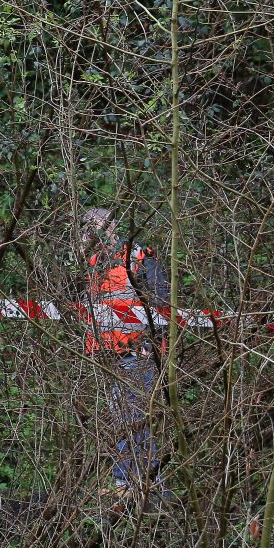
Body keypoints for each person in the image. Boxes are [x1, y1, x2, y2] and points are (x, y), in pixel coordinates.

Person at [77, 207, 169, 495]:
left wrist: (149, 344)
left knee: (139, 419)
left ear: (113, 227)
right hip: (108, 354)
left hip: (137, 351)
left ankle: (146, 485)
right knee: (122, 419)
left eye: (98, 226)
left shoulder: (138, 256)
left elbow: (161, 300)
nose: (93, 233)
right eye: (87, 228)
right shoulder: (92, 265)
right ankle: (126, 483)